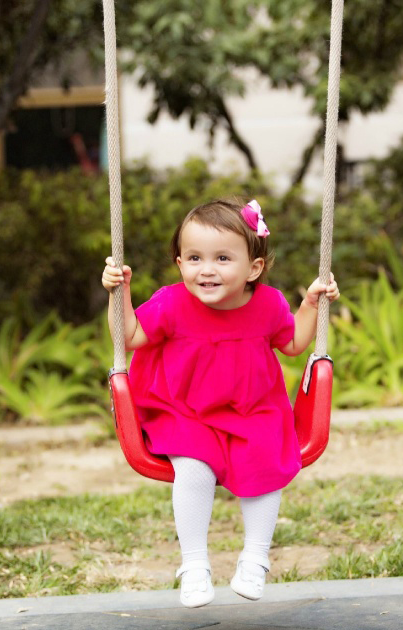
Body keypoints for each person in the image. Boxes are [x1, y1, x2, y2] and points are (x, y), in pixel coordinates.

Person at [101, 197, 339, 608]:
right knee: (193, 469)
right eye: (194, 257)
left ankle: (255, 558)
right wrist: (118, 294)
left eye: (222, 258)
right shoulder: (172, 302)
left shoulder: (267, 305)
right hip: (183, 412)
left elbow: (295, 344)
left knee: (269, 462)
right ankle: (194, 565)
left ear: (254, 268)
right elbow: (129, 337)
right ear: (180, 263)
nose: (206, 269)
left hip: (252, 411)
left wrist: (312, 306)